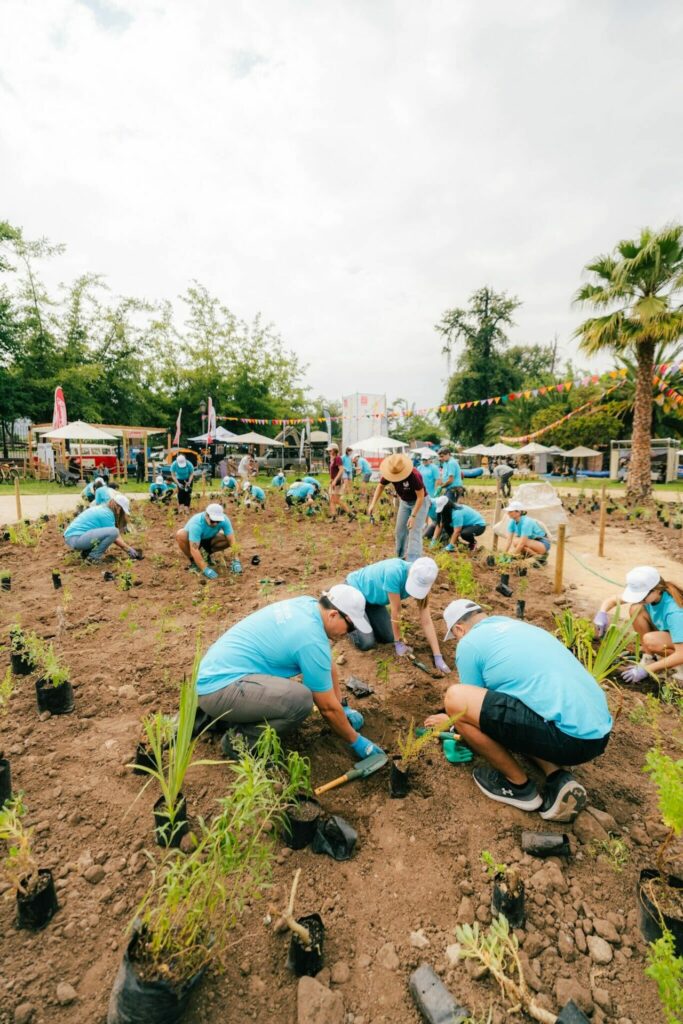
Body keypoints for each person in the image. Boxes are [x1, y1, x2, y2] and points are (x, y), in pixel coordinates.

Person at [426, 600, 612, 821]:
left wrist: (450, 721)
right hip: (596, 736)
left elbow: (469, 705)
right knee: (518, 699)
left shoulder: (469, 643)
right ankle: (556, 775)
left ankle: (518, 786)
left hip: (567, 739)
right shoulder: (520, 628)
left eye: (455, 636)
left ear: (459, 629)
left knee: (455, 697)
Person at [195, 586, 384, 759]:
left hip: (215, 673)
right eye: (350, 626)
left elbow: (324, 662)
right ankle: (239, 743)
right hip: (219, 689)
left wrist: (342, 706)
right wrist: (356, 741)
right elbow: (326, 708)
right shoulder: (310, 639)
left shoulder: (308, 605)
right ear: (334, 614)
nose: (349, 633)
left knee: (289, 694)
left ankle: (222, 718)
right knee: (299, 701)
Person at [345, 556, 450, 674]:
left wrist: (437, 655)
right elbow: (396, 612)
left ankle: (365, 616)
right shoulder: (394, 572)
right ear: (411, 572)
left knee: (388, 637)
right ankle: (343, 613)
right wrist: (399, 643)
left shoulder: (424, 579)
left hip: (373, 602)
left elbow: (426, 620)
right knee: (367, 642)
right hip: (354, 591)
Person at [594, 565, 683, 684]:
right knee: (636, 608)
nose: (639, 599)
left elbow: (681, 654)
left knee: (651, 639)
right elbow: (612, 600)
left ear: (656, 590)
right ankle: (649, 658)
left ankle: (680, 668)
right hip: (674, 637)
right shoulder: (656, 594)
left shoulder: (674, 611)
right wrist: (602, 612)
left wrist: (646, 670)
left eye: (642, 596)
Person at [367, 453, 428, 562]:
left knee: (414, 531)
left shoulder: (414, 475)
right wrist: (373, 503)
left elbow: (421, 496)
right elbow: (380, 486)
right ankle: (400, 559)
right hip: (404, 501)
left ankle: (413, 562)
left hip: (420, 502)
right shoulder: (390, 472)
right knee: (400, 531)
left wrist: (413, 516)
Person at [64, 492, 140, 563]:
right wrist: (128, 549)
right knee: (114, 532)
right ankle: (93, 557)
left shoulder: (103, 509)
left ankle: (87, 553)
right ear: (118, 508)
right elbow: (115, 536)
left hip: (73, 537)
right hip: (77, 539)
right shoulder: (107, 514)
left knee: (109, 533)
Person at [176, 502, 241, 579]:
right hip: (193, 542)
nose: (215, 524)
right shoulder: (197, 523)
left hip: (209, 539)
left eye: (218, 521)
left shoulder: (224, 520)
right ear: (206, 515)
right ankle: (193, 562)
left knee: (227, 538)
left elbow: (232, 540)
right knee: (180, 534)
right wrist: (205, 568)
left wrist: (236, 559)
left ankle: (206, 554)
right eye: (213, 521)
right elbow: (194, 548)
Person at [327, 443, 345, 518]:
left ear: (334, 450)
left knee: (335, 500)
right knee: (332, 499)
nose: (329, 452)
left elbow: (341, 470)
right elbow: (332, 471)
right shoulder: (332, 459)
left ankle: (350, 513)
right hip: (333, 482)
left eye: (330, 450)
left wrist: (335, 480)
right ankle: (333, 516)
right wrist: (331, 480)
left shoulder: (338, 458)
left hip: (337, 482)